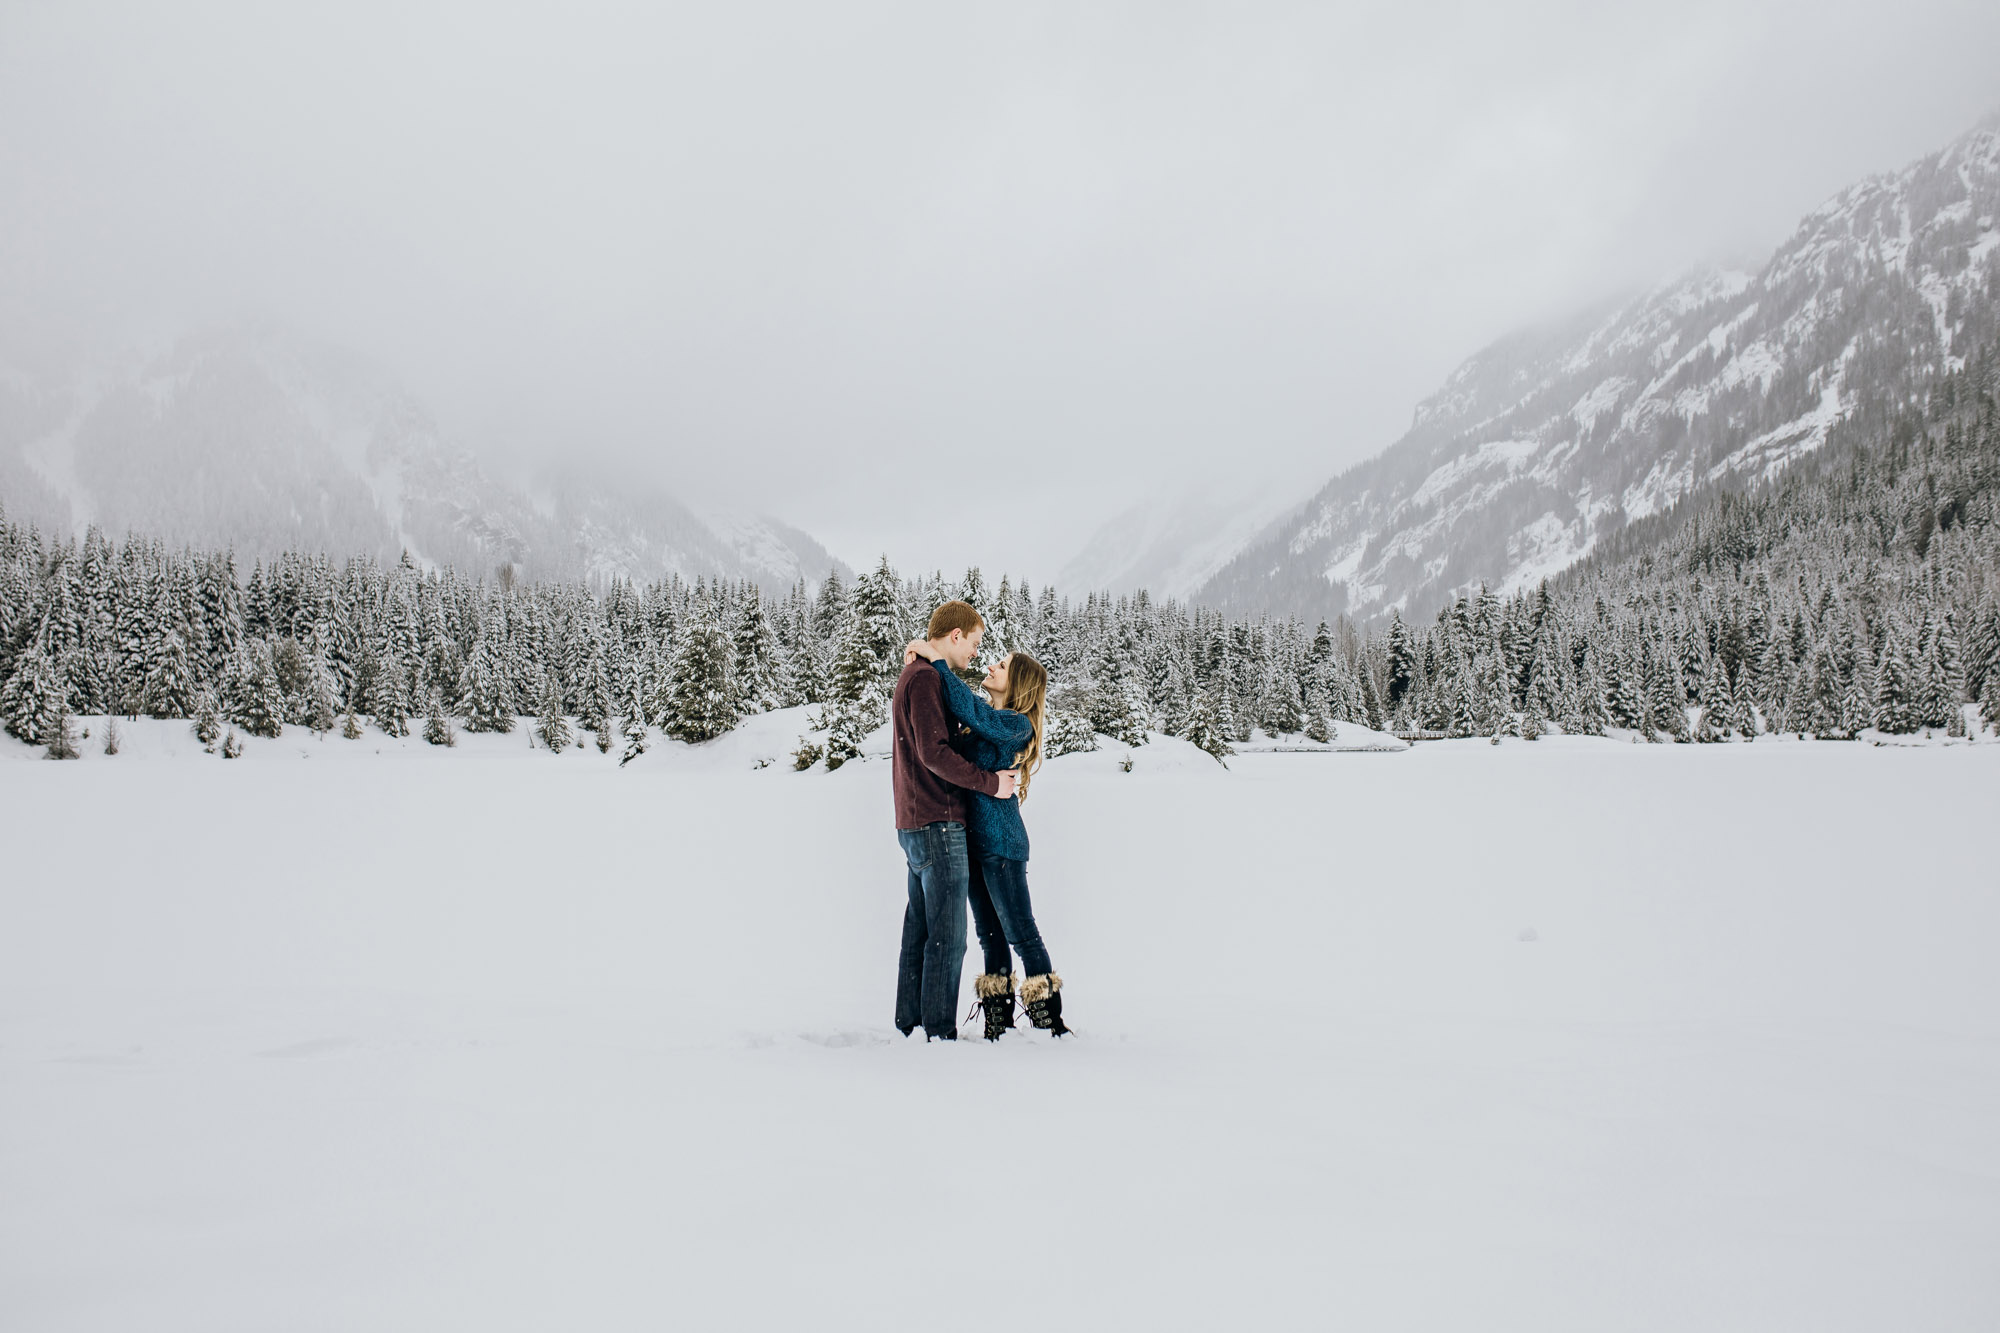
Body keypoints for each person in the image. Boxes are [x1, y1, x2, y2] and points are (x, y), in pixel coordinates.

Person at [903, 637, 1068, 1040]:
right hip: (974, 846)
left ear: (1019, 685)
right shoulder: (981, 726)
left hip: (1003, 848)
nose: (991, 666)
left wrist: (939, 662)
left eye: (1002, 665)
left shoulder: (1015, 723)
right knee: (990, 936)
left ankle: (1048, 1020)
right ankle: (999, 1020)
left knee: (1021, 932)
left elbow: (975, 710)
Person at [890, 601, 1019, 1040]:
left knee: (922, 930)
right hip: (938, 822)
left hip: (914, 822)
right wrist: (990, 783)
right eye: (976, 642)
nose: (977, 655)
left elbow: (941, 743)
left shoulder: (918, 675)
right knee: (948, 936)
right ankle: (938, 1033)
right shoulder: (925, 678)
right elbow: (934, 753)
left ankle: (911, 1025)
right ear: (957, 635)